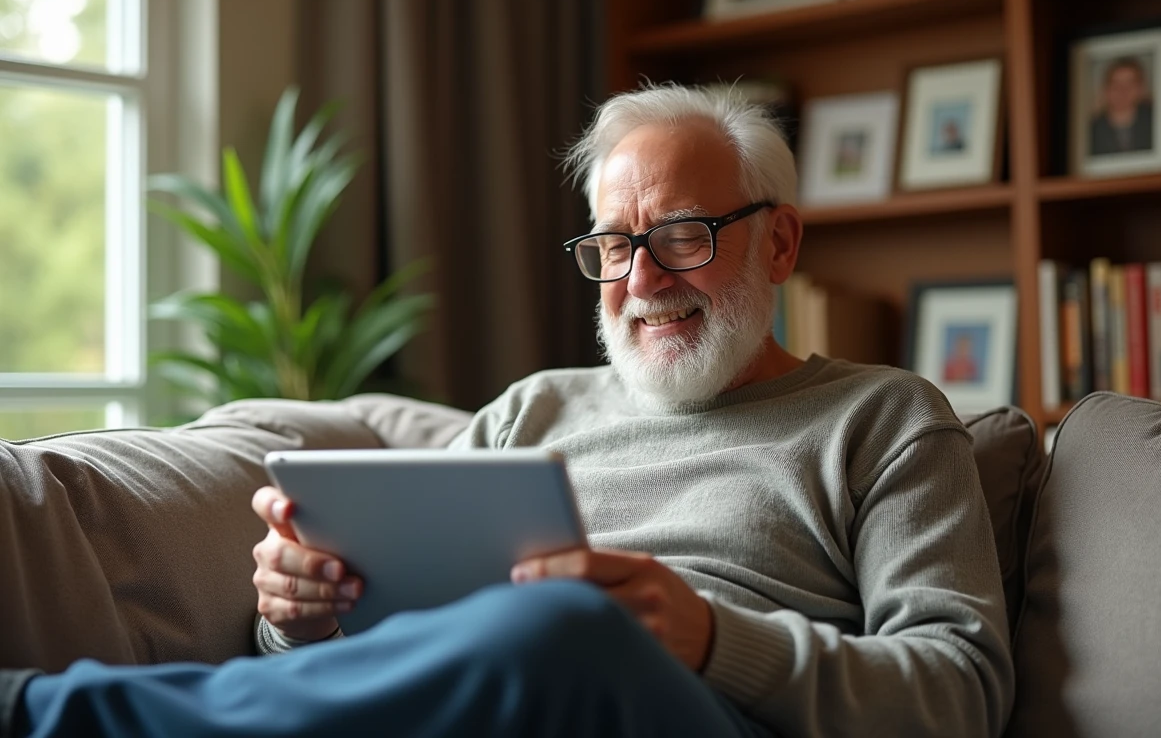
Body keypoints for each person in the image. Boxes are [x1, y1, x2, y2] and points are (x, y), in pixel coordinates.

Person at [1, 83, 1014, 737]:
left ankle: (50, 719)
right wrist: (300, 619)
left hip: (698, 714)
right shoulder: (533, 409)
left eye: (684, 235)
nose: (642, 278)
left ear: (781, 243)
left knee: (560, 627)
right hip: (504, 708)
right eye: (613, 246)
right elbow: (396, 662)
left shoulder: (885, 418)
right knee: (533, 633)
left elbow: (961, 691)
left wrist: (710, 634)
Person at [1089, 56, 1153, 155]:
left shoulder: (1155, 122)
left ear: (1141, 88)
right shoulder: (1092, 130)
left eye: (1130, 84)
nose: (1123, 91)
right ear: (1106, 89)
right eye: (1116, 84)